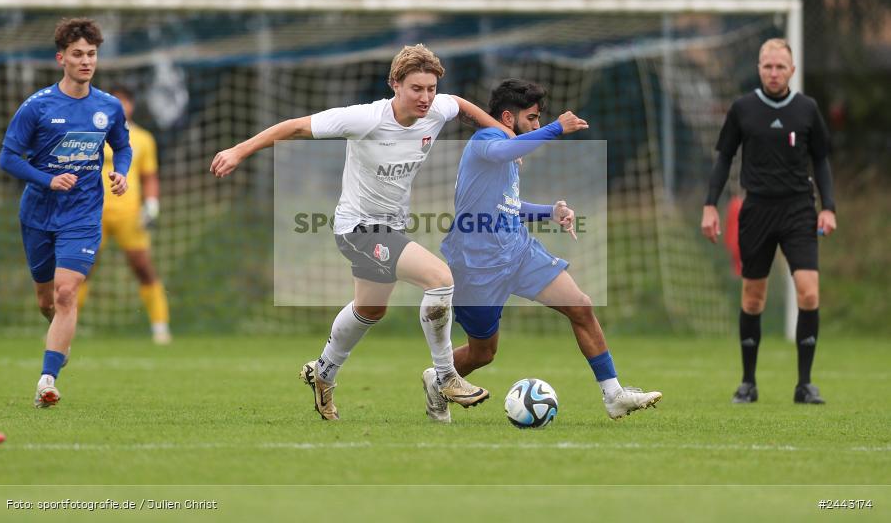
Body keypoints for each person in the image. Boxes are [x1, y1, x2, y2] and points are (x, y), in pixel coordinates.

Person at [211, 44, 512, 421]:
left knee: (371, 308)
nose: (425, 97)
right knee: (440, 279)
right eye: (416, 88)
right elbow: (297, 127)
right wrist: (240, 150)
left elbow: (462, 106)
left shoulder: (437, 109)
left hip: (391, 226)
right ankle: (446, 376)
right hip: (358, 228)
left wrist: (504, 134)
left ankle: (323, 372)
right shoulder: (364, 118)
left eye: (431, 89)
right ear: (395, 85)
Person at [428, 78, 663, 423]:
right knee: (483, 353)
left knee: (581, 306)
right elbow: (503, 151)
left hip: (519, 252)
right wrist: (555, 128)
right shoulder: (485, 141)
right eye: (533, 118)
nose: (537, 125)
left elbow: (507, 205)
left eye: (540, 120)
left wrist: (548, 213)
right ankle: (437, 381)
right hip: (476, 266)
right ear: (508, 118)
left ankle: (614, 395)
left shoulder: (510, 151)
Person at [0, 17, 131, 407]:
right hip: (38, 215)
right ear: (61, 59)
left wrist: (120, 173)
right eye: (78, 54)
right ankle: (60, 340)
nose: (86, 61)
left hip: (84, 215)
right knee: (46, 301)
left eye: (91, 54)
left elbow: (122, 146)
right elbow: (8, 158)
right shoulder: (37, 107)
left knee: (67, 292)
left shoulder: (109, 107)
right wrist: (46, 179)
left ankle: (47, 379)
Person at [701, 38, 837, 405]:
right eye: (767, 66)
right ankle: (748, 383)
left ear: (792, 70)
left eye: (780, 66)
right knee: (753, 297)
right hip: (756, 210)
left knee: (809, 292)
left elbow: (821, 160)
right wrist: (710, 206)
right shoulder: (743, 108)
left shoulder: (807, 109)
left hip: (798, 210)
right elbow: (724, 157)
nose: (774, 72)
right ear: (759, 69)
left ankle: (805, 385)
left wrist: (829, 207)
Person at [76, 85, 172, 345]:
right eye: (115, 101)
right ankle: (65, 324)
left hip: (129, 214)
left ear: (131, 105)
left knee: (143, 267)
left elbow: (149, 176)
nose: (120, 106)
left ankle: (160, 327)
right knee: (82, 269)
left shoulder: (142, 138)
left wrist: (151, 205)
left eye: (124, 101)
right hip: (92, 213)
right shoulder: (88, 134)